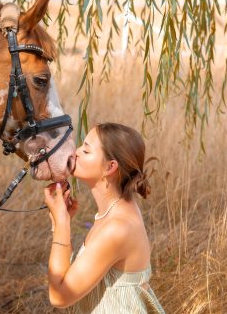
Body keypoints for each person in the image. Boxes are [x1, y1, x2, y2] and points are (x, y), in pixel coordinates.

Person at [44, 122, 165, 314]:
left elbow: (59, 296)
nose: (76, 152)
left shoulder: (117, 228)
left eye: (86, 150)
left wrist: (61, 225)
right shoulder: (116, 210)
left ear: (110, 167)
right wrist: (60, 224)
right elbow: (73, 276)